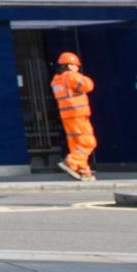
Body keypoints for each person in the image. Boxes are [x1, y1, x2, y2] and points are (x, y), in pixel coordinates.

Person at [52, 50, 97, 180]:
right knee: (88, 142)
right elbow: (88, 86)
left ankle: (83, 170)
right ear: (70, 65)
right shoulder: (71, 76)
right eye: (76, 65)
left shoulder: (56, 80)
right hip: (78, 114)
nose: (77, 68)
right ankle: (71, 162)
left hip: (67, 116)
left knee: (76, 145)